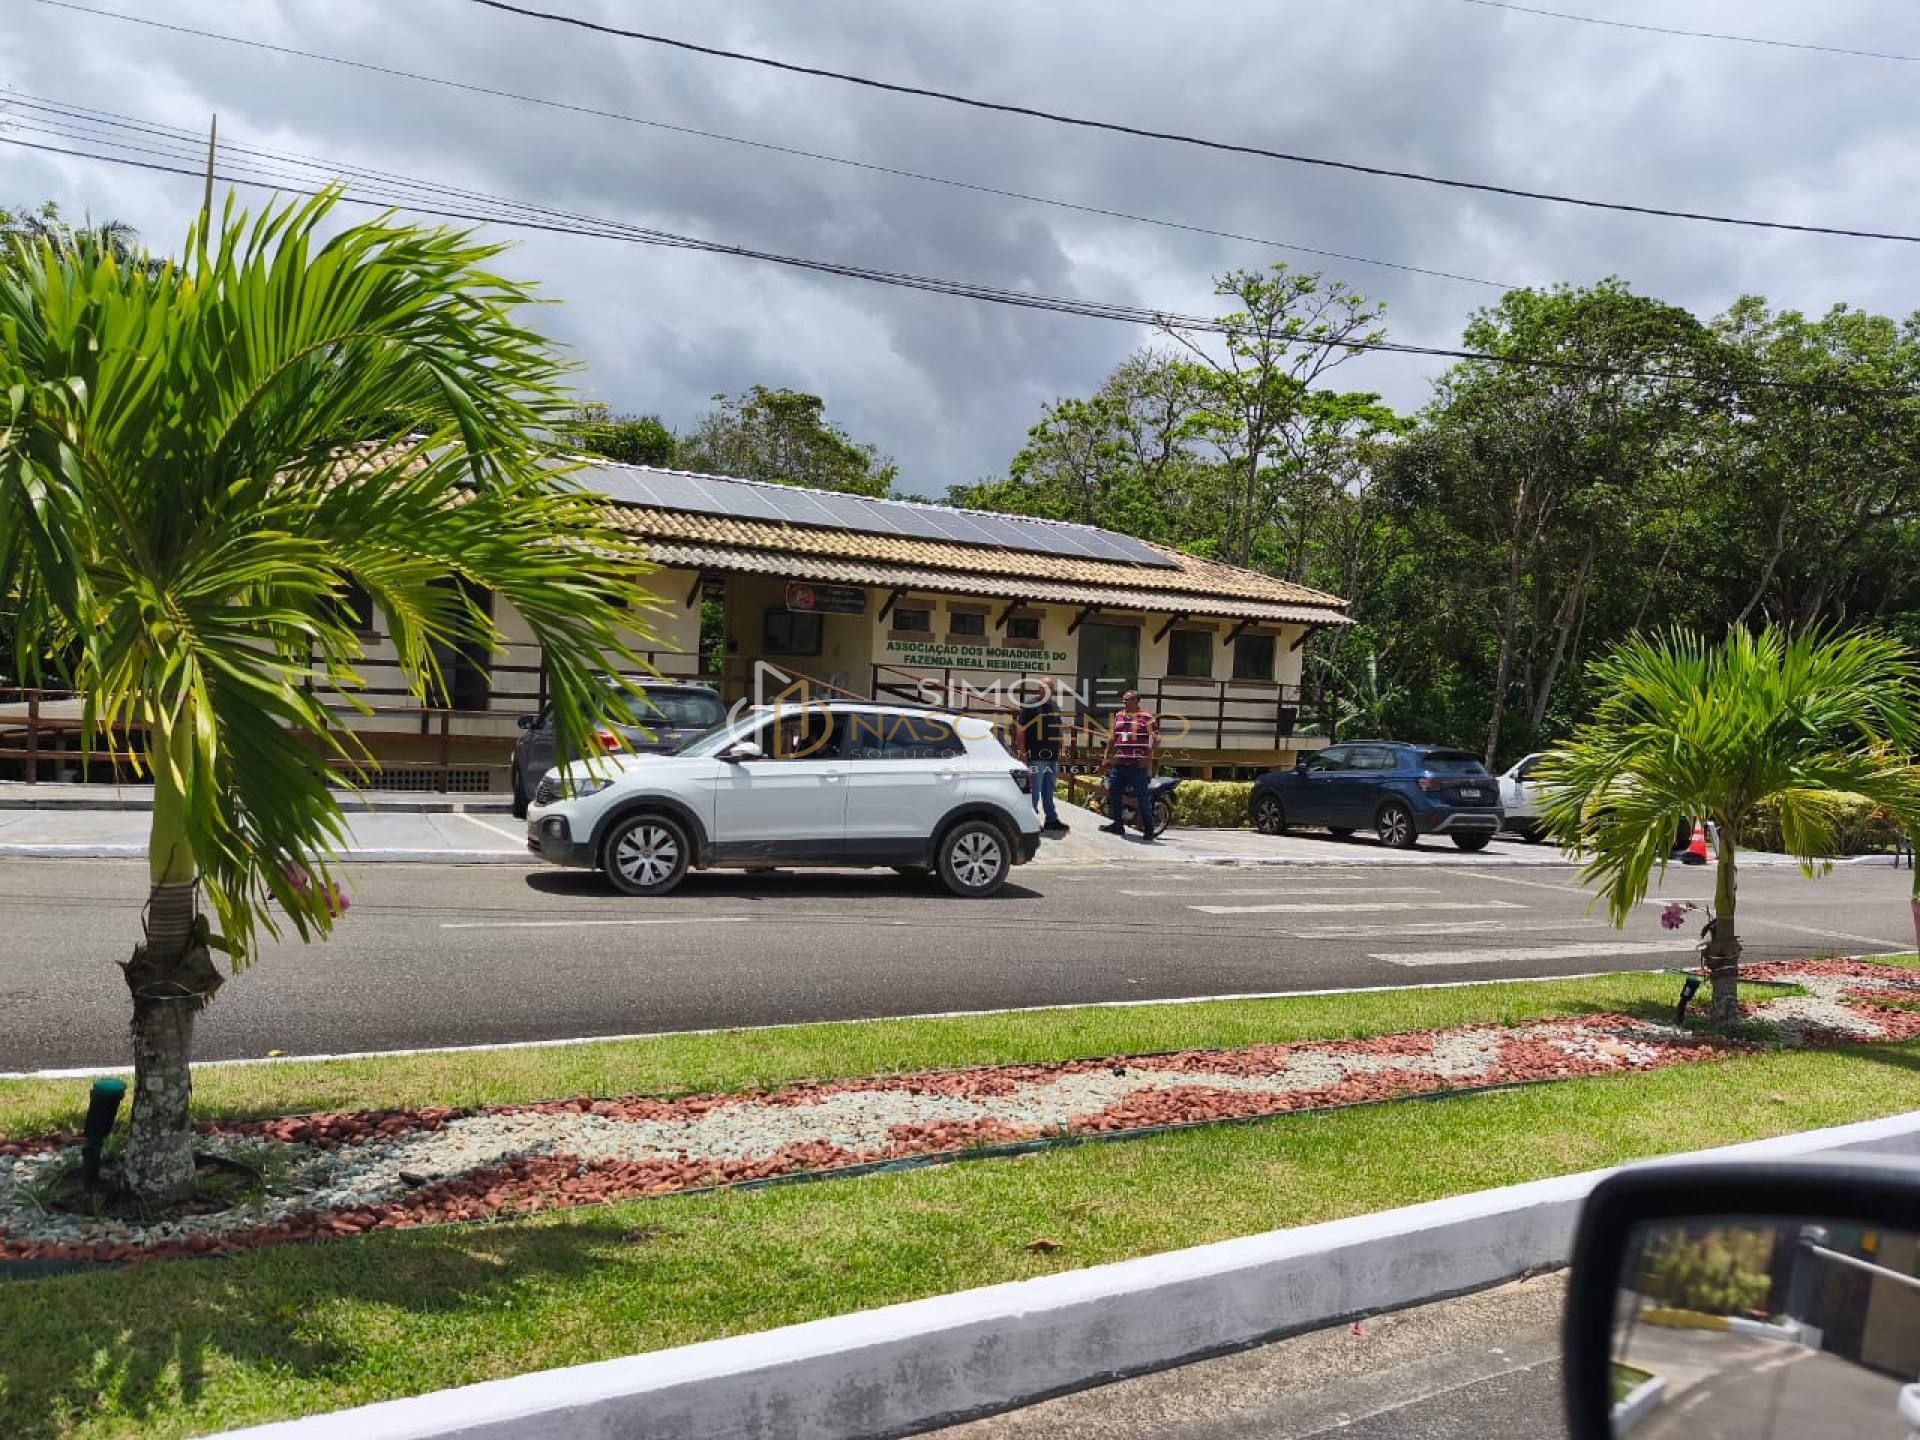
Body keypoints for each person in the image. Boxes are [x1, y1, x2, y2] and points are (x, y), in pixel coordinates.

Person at [1100, 689, 1159, 840]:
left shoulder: (1147, 718)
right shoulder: (1118, 716)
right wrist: (1106, 756)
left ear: (1136, 701)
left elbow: (1157, 740)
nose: (1124, 702)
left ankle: (1149, 828)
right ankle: (1118, 825)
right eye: (1124, 700)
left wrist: (1148, 757)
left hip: (1137, 766)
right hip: (1120, 763)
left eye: (1128, 700)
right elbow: (1112, 738)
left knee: (1142, 797)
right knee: (1113, 793)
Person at [1013, 677, 1068, 833]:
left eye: (1050, 687)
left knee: (1049, 790)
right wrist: (1022, 753)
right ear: (1039, 689)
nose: (1047, 690)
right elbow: (1021, 730)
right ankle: (1031, 820)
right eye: (1044, 686)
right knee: (1034, 789)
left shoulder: (1055, 706)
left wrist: (1062, 748)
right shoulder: (1030, 705)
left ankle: (1051, 819)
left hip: (1052, 756)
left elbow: (1058, 728)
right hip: (1036, 755)